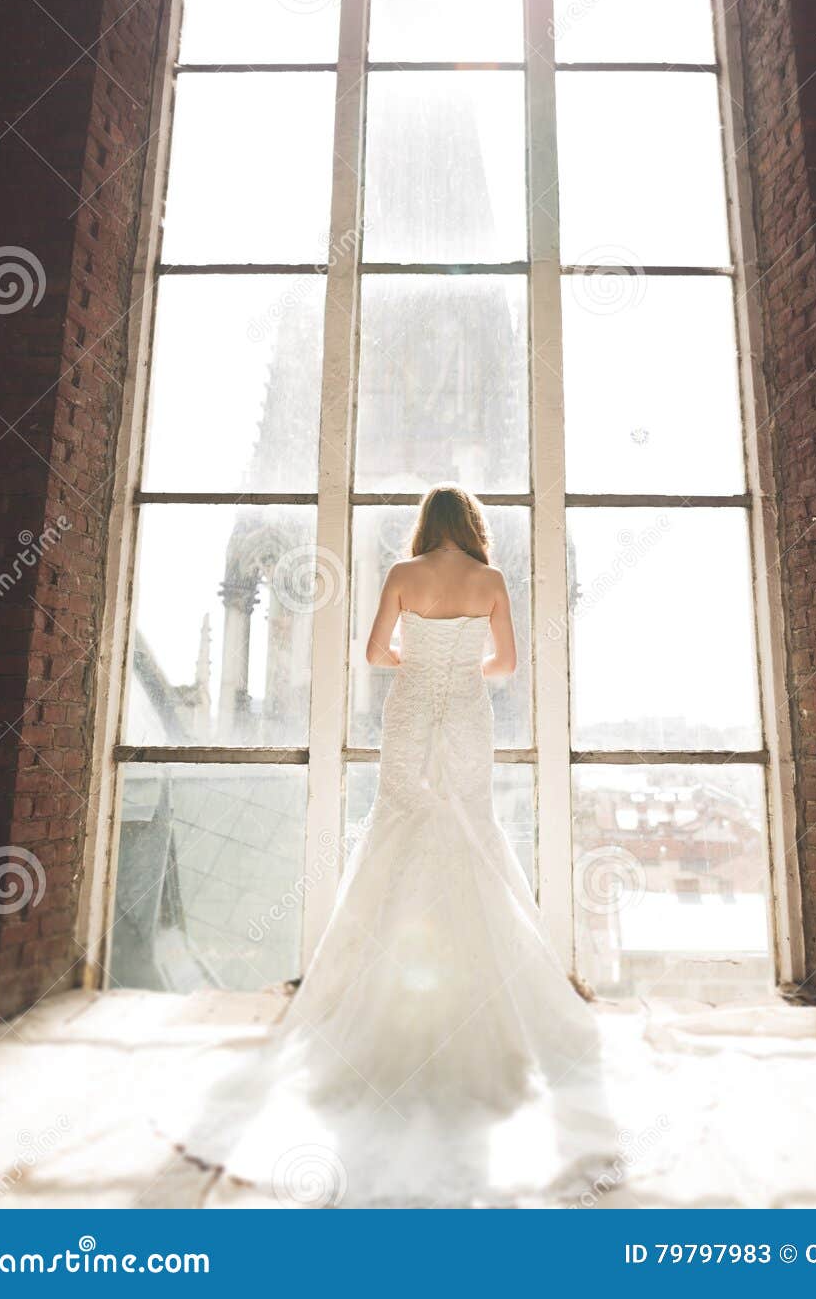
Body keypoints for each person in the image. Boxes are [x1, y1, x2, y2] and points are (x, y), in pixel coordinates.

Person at [159, 486, 629, 1207]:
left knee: (401, 826)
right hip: (468, 715)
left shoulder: (403, 576)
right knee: (472, 829)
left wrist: (417, 655)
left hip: (409, 708)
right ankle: (490, 1011)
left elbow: (377, 652)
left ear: (423, 526)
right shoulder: (491, 580)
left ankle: (378, 1008)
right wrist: (459, 662)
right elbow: (504, 665)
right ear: (471, 526)